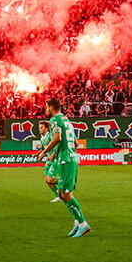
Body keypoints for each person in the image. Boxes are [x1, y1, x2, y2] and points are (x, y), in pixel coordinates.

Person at [37, 98, 91, 238]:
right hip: (66, 159)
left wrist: (44, 152)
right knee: (61, 193)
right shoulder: (67, 121)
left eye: (47, 107)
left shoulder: (55, 119)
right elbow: (76, 142)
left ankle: (83, 224)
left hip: (66, 160)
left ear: (52, 107)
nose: (46, 109)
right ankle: (77, 222)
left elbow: (57, 138)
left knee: (66, 194)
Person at [38, 120, 61, 203]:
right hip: (48, 161)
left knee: (50, 180)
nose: (39, 129)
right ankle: (59, 196)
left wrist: (52, 155)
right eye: (39, 128)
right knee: (47, 181)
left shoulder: (51, 136)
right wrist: (37, 154)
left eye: (41, 128)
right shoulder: (42, 138)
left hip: (55, 160)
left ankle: (64, 182)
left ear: (46, 128)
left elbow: (57, 145)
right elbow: (44, 149)